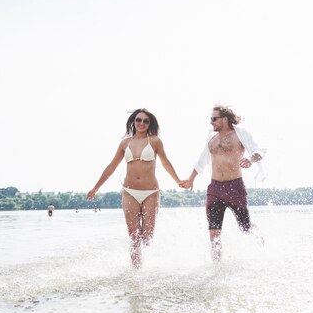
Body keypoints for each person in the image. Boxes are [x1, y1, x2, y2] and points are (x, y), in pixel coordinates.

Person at [87, 108, 184, 268]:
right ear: (133, 121)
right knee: (134, 236)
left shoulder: (154, 141)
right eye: (138, 120)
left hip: (151, 193)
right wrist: (96, 187)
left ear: (149, 124)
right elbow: (111, 167)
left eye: (146, 121)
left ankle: (151, 265)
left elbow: (166, 162)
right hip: (130, 192)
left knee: (147, 237)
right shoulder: (125, 143)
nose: (141, 123)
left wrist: (178, 180)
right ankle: (136, 272)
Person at [183, 105, 266, 262]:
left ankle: (262, 244)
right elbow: (201, 161)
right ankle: (216, 267)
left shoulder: (240, 134)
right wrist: (190, 179)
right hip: (215, 188)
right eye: (211, 119)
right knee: (214, 232)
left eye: (214, 119)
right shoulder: (211, 138)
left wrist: (250, 159)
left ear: (224, 119)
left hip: (234, 187)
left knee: (245, 227)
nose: (211, 122)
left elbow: (259, 151)